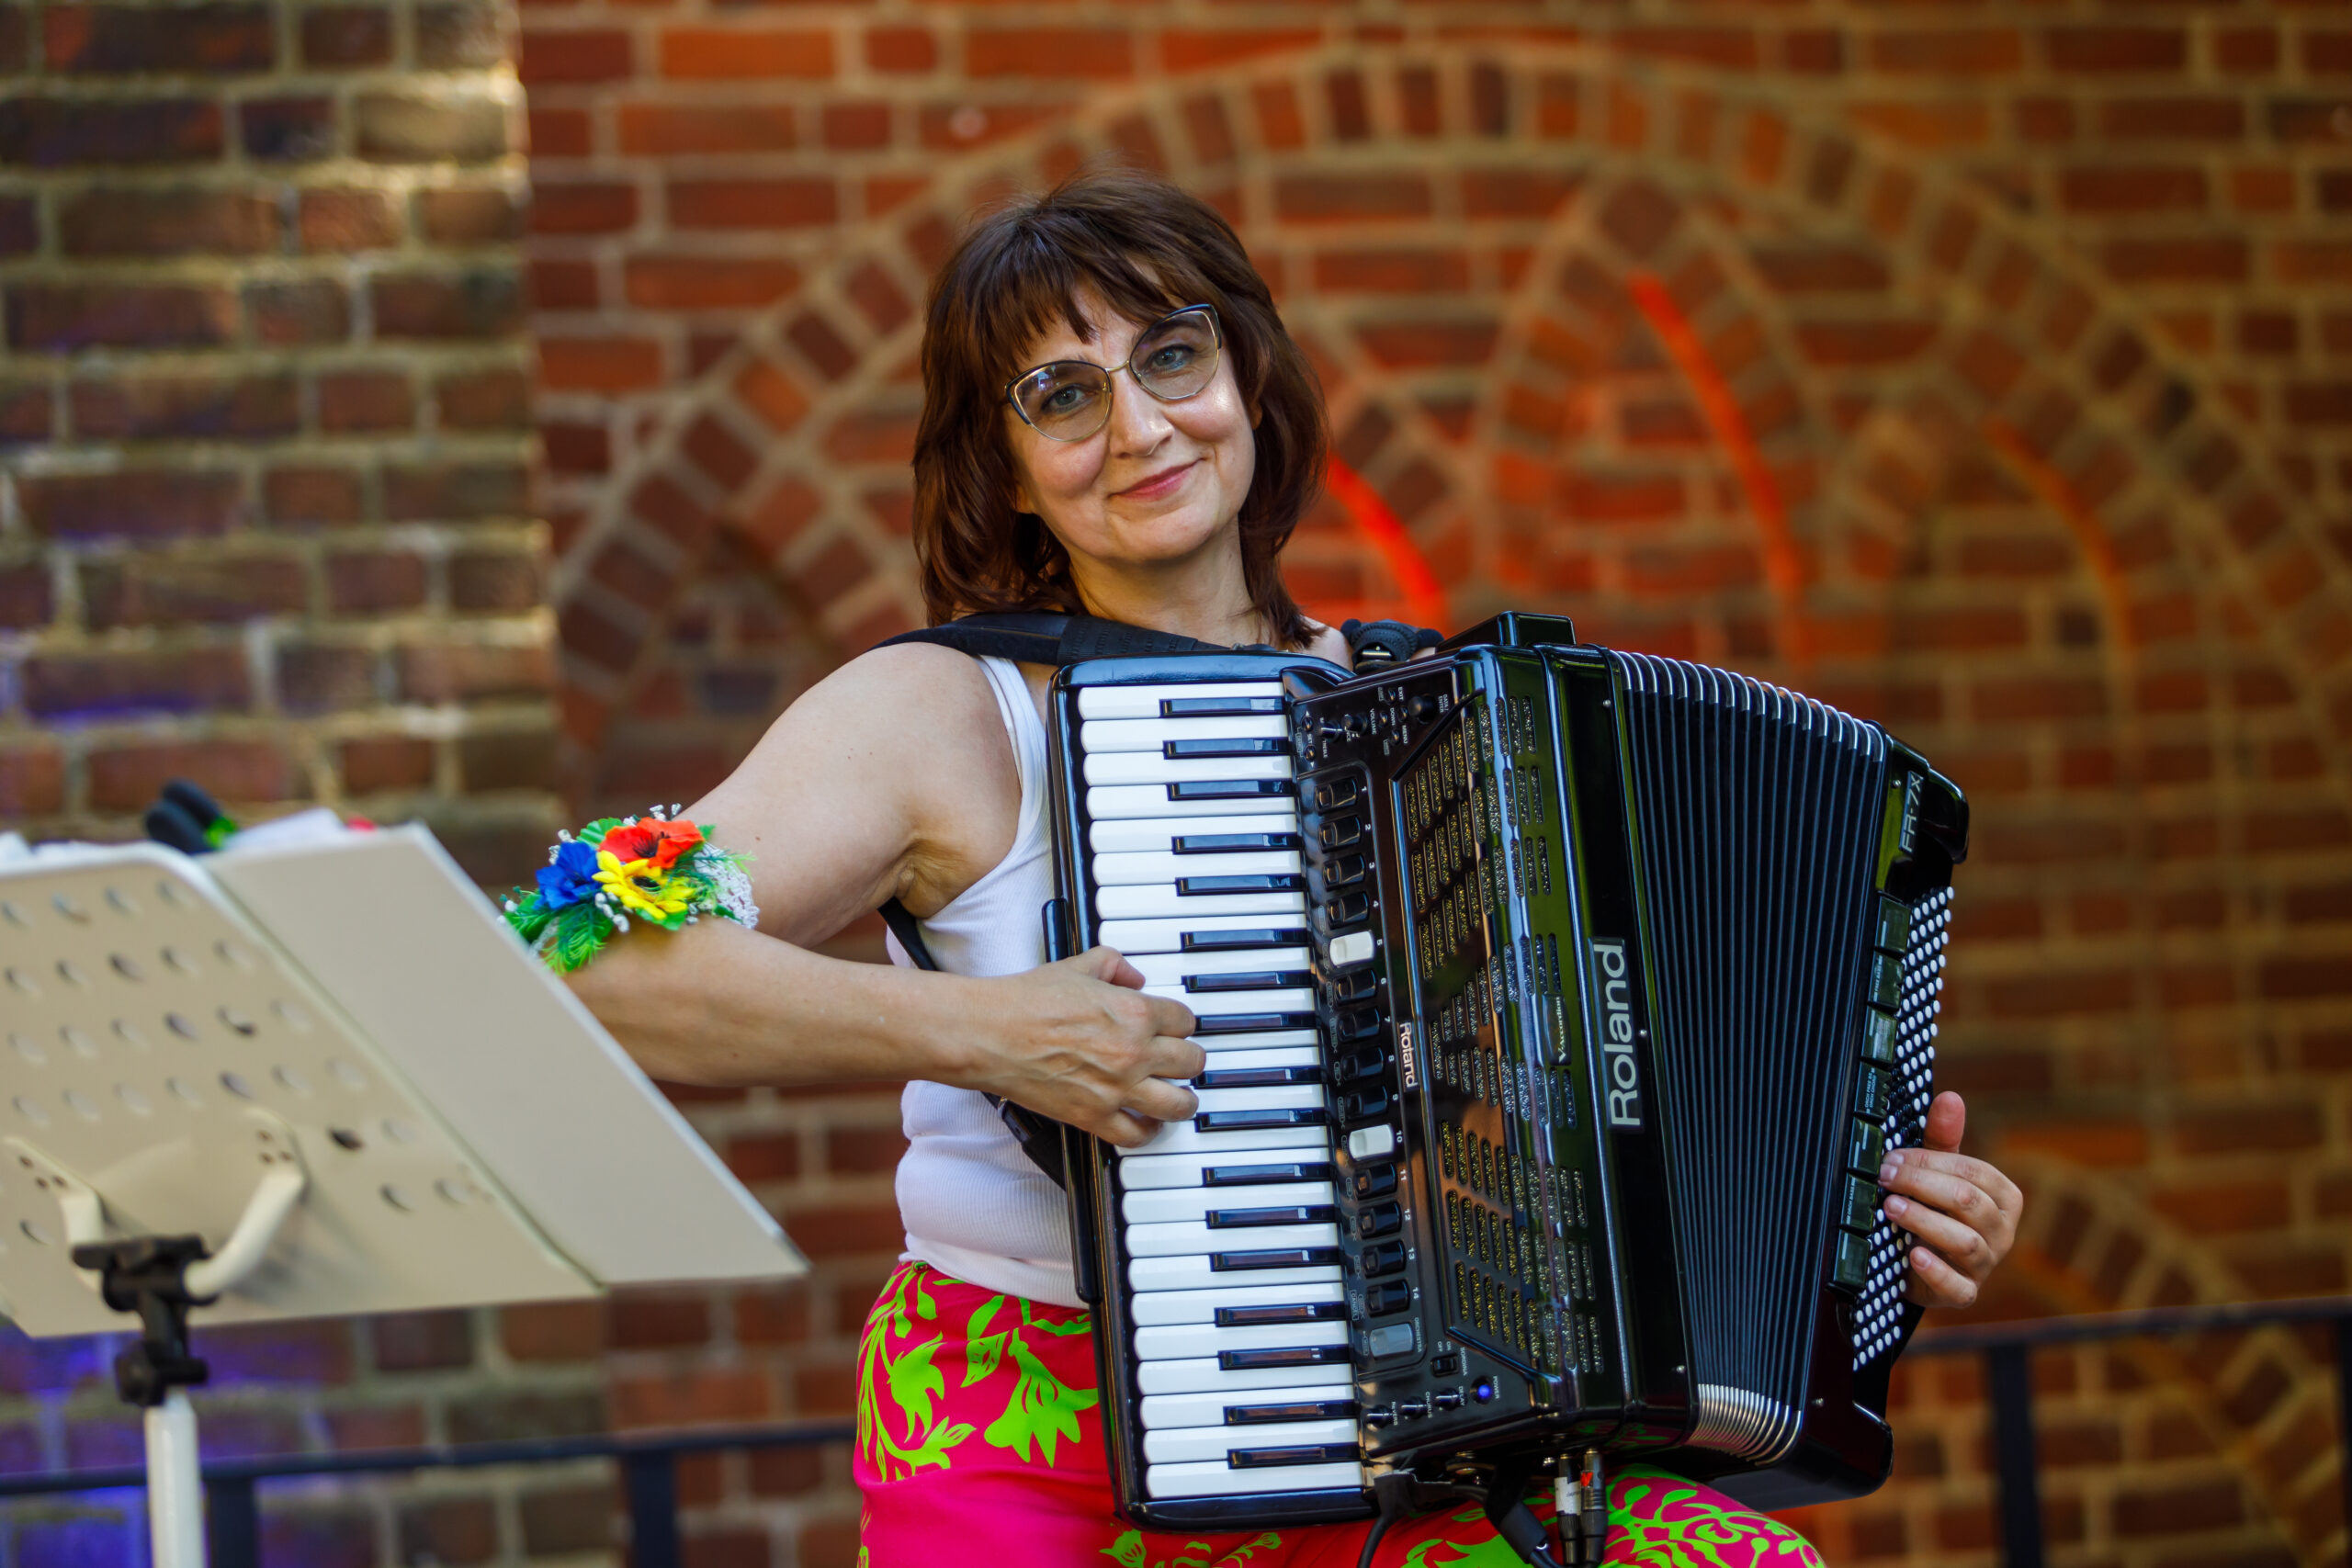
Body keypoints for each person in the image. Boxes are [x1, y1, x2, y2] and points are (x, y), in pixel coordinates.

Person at [568, 167, 2025, 1566]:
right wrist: (987, 1033)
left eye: (1172, 357)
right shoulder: (943, 712)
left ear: (1249, 381)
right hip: (1027, 1439)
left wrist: (1862, 1212)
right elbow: (595, 964)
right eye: (1063, 396)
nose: (1139, 427)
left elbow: (1590, 1114)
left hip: (1387, 1430)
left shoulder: (1426, 719)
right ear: (1002, 468)